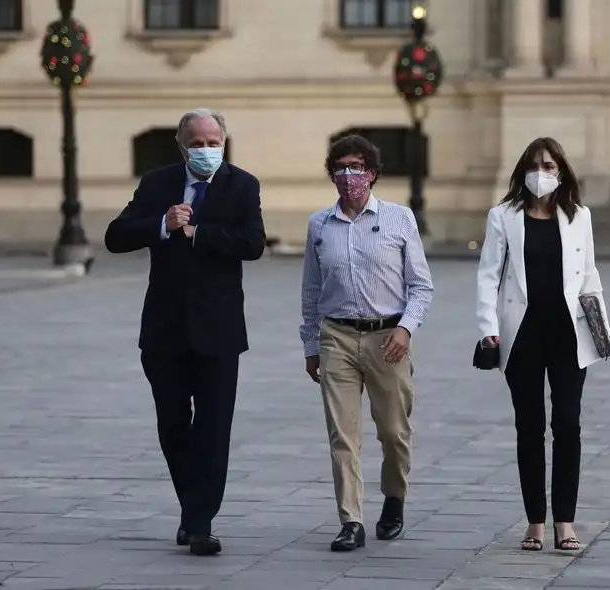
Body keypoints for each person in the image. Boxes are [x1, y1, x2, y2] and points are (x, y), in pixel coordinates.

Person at [103, 108, 265, 556]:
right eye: (198, 143)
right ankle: (192, 508)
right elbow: (115, 236)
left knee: (213, 430)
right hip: (164, 329)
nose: (207, 150)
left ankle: (199, 524)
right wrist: (163, 225)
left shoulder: (242, 185)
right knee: (174, 426)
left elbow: (253, 243)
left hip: (219, 330)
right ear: (181, 146)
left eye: (214, 142)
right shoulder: (157, 184)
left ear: (225, 144)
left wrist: (198, 233)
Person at [475, 137, 610, 552]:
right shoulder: (503, 217)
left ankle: (565, 523)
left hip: (569, 334)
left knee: (568, 424)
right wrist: (487, 327)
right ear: (522, 172)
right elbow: (488, 274)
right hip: (523, 333)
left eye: (550, 165)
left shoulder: (579, 217)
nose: (542, 172)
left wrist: (602, 330)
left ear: (562, 172)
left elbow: (588, 275)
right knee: (529, 427)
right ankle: (535, 522)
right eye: (536, 165)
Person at [299, 134, 435, 552]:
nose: (348, 176)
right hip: (337, 336)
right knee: (343, 434)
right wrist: (310, 346)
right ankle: (351, 519)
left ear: (372, 173)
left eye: (356, 167)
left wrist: (405, 328)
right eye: (339, 168)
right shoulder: (320, 225)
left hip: (387, 337)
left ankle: (394, 498)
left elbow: (421, 286)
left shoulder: (399, 219)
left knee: (394, 431)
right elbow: (310, 291)